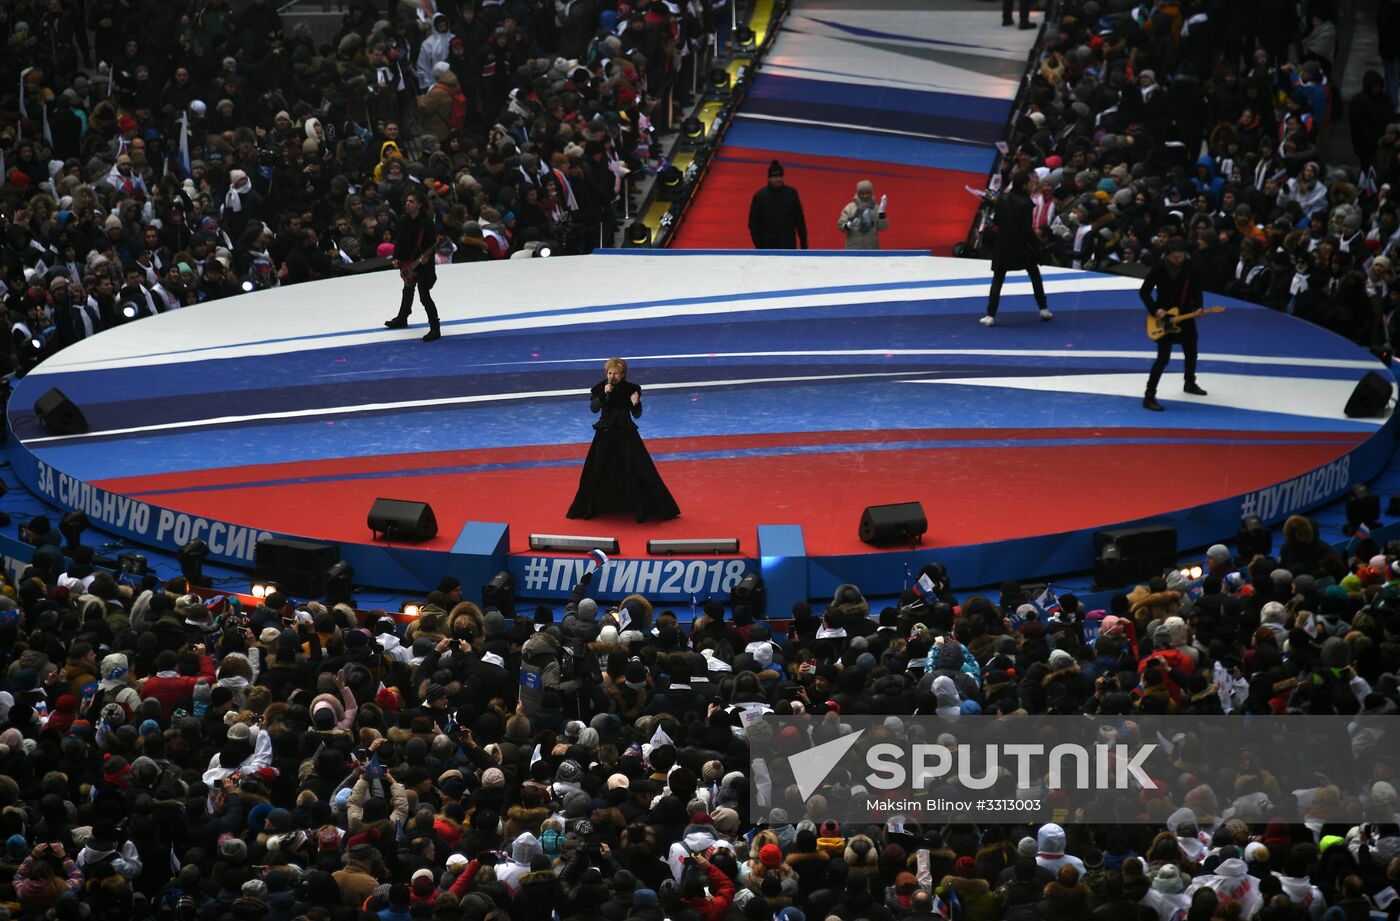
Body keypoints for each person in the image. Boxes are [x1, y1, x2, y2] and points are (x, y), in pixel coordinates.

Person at [567, 357, 680, 523]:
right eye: (610, 373)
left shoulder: (632, 389)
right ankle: (589, 508)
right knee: (595, 471)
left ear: (623, 374)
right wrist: (604, 394)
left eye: (616, 373)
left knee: (637, 470)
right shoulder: (600, 387)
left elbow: (637, 414)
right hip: (605, 433)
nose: (612, 376)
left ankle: (641, 509)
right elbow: (594, 409)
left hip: (626, 433)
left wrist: (635, 403)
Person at [1140, 238, 1209, 411]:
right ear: (1167, 256)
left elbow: (1197, 291)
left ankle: (1189, 382)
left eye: (1180, 257)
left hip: (1185, 315)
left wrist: (1199, 307)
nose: (1178, 260)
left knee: (1192, 351)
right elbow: (1144, 292)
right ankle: (1149, 396)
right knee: (1163, 358)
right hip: (1164, 317)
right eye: (1174, 257)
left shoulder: (1191, 268)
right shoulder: (1159, 268)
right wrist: (1156, 310)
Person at [982, 170, 1052, 327]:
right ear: (1024, 185)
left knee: (998, 279)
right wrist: (1039, 246)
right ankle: (1043, 308)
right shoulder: (1025, 204)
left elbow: (997, 222)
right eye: (1029, 182)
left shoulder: (1002, 199)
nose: (1031, 185)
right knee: (1034, 275)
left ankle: (990, 314)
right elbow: (1026, 230)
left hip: (1003, 245)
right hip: (1021, 247)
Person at [384, 192, 443, 342]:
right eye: (407, 201)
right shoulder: (404, 221)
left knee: (424, 296)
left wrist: (427, 257)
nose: (407, 203)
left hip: (422, 265)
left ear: (419, 204)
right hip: (407, 263)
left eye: (411, 201)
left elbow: (431, 244)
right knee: (407, 290)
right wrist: (397, 258)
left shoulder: (426, 223)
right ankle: (403, 317)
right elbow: (399, 241)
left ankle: (435, 327)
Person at [748, 160, 808, 249]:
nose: (778, 179)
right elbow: (754, 223)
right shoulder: (760, 197)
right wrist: (760, 246)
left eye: (780, 176)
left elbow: (799, 219)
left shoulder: (791, 193)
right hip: (768, 247)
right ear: (769, 178)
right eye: (775, 176)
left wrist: (804, 241)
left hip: (789, 245)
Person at [837, 181, 888, 249]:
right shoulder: (850, 208)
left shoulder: (876, 208)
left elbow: (883, 227)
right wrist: (848, 225)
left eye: (867, 193)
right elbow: (841, 226)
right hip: (853, 248)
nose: (865, 196)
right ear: (858, 193)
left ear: (871, 193)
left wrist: (881, 213)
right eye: (862, 193)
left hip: (871, 248)